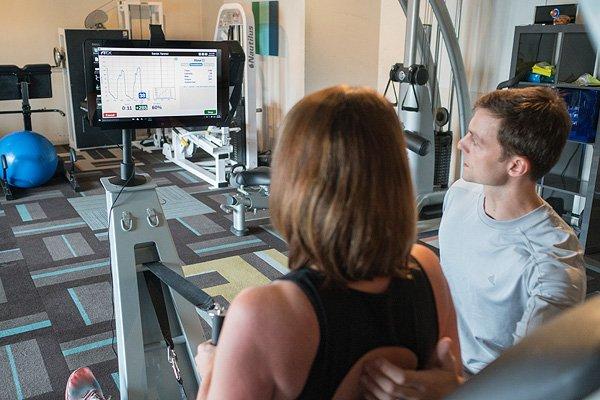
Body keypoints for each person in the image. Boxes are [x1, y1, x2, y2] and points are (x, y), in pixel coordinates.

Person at [194, 85, 462, 399]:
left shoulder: (264, 313)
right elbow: (450, 377)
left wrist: (213, 372)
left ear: (293, 183)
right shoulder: (426, 266)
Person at [362, 86, 587, 399]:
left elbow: (533, 386)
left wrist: (453, 387)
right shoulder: (462, 192)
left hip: (484, 387)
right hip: (438, 348)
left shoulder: (552, 265)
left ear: (516, 166)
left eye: (476, 141)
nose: (460, 144)